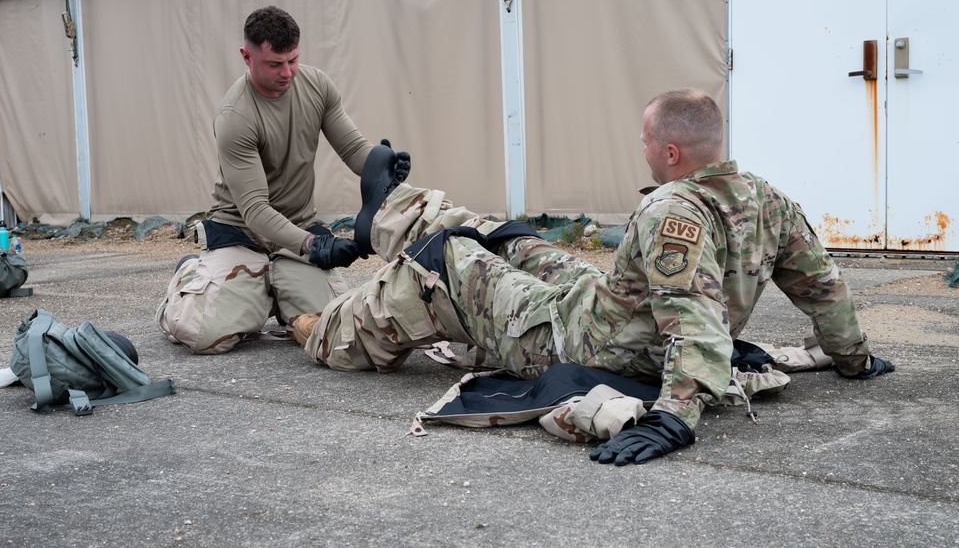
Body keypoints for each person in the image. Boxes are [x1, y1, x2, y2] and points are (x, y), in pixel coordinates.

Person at [294, 87, 894, 465]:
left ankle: (320, 321)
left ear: (671, 153)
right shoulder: (770, 200)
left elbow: (693, 316)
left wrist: (675, 417)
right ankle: (392, 205)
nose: (642, 149)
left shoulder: (671, 212)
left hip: (572, 340)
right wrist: (854, 359)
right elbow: (825, 288)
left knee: (450, 258)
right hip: (601, 306)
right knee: (516, 241)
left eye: (645, 142)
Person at [157, 5, 410, 355]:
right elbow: (255, 210)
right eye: (275, 64)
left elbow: (353, 149)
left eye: (293, 60)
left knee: (339, 331)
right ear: (247, 57)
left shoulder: (317, 85)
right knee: (200, 334)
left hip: (298, 228)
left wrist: (383, 167)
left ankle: (273, 289)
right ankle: (191, 275)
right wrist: (315, 246)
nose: (288, 72)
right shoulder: (235, 116)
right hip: (241, 234)